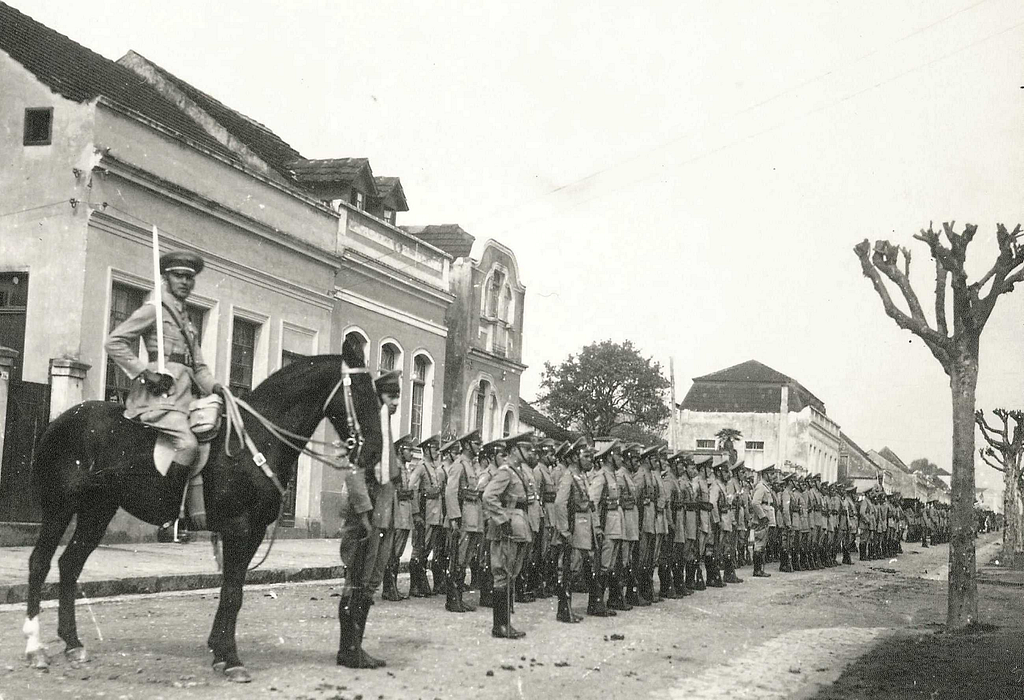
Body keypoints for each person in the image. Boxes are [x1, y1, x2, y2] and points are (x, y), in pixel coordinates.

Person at [105, 251, 222, 534]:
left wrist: (218, 389)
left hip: (186, 398)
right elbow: (115, 342)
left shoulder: (187, 320)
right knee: (188, 444)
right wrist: (146, 372)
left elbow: (200, 367)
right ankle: (166, 513)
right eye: (178, 276)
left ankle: (196, 511)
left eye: (189, 278)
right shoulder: (154, 309)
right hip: (157, 398)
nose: (184, 282)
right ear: (166, 278)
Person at [336, 368, 402, 669]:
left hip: (383, 519)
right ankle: (349, 649)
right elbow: (353, 473)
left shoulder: (385, 430)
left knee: (370, 583)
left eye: (398, 396)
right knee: (357, 581)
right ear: (379, 397)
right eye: (391, 396)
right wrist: (363, 513)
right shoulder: (366, 431)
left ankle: (355, 646)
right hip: (366, 519)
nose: (396, 402)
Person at [483, 435, 533, 638]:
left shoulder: (518, 471)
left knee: (510, 573)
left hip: (518, 526)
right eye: (526, 449)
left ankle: (505, 623)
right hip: (507, 528)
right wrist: (502, 519)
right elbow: (488, 496)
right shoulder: (505, 472)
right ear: (514, 451)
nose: (530, 453)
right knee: (503, 573)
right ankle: (500, 626)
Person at [553, 436, 593, 621]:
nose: (590, 460)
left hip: (583, 526)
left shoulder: (581, 476)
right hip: (574, 526)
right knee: (570, 567)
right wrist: (564, 530)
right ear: (576, 457)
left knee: (575, 568)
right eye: (586, 456)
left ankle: (566, 607)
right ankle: (564, 609)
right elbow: (560, 503)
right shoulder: (569, 476)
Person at [443, 430, 482, 613]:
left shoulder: (471, 465)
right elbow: (451, 492)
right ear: (467, 445)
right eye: (476, 444)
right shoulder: (459, 465)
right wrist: (454, 518)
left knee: (465, 558)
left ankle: (459, 597)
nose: (479, 448)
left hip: (473, 516)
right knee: (458, 557)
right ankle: (453, 599)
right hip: (463, 516)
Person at [588, 440, 624, 616]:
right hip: (606, 526)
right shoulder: (601, 476)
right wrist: (596, 526)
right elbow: (592, 503)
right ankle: (596, 604)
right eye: (618, 455)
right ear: (610, 457)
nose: (621, 459)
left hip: (615, 526)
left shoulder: (613, 476)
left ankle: (601, 602)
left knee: (609, 565)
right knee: (602, 566)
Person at [408, 434, 445, 596]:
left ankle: (421, 583)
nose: (437, 451)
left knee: (427, 549)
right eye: (434, 448)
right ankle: (415, 585)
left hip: (434, 514)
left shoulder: (434, 467)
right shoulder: (421, 467)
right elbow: (412, 487)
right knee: (419, 549)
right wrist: (416, 513)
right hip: (424, 513)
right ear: (426, 450)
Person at [382, 434, 416, 601]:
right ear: (401, 450)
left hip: (404, 514)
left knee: (397, 553)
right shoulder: (394, 466)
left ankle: (392, 586)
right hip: (396, 514)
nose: (412, 453)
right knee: (392, 552)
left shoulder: (404, 467)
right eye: (409, 450)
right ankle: (388, 588)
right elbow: (389, 491)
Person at [749, 463, 776, 578]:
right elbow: (755, 502)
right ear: (765, 474)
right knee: (759, 543)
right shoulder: (761, 486)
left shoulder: (765, 486)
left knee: (762, 543)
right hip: (762, 519)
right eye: (770, 474)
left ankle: (759, 569)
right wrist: (762, 516)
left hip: (765, 518)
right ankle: (757, 570)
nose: (773, 476)